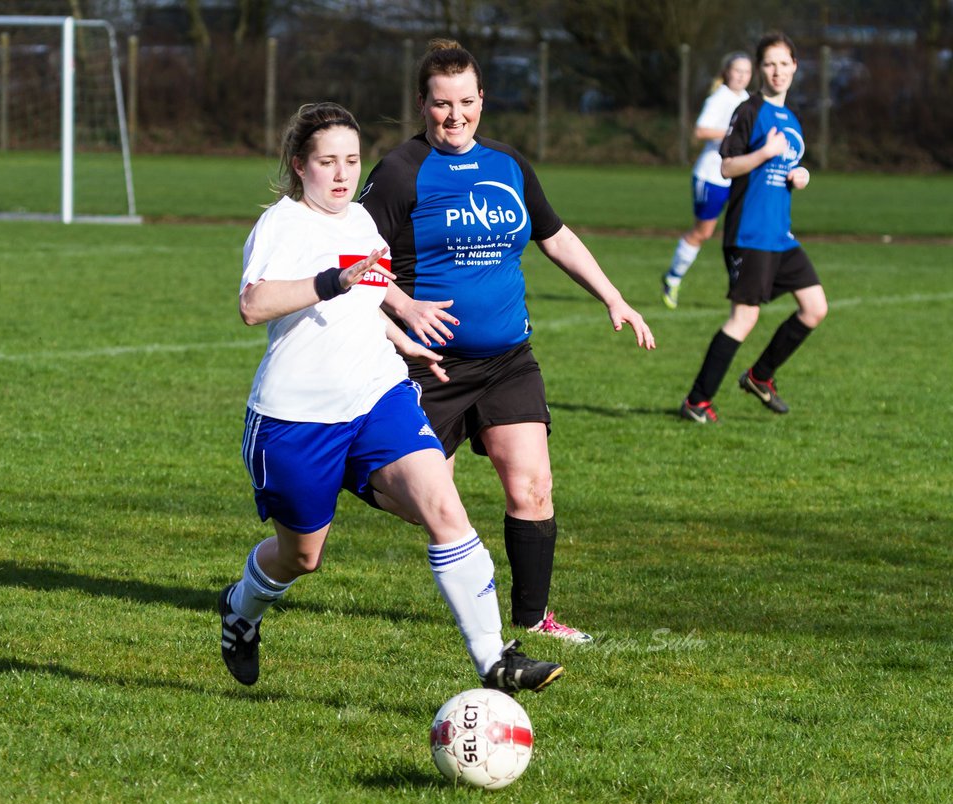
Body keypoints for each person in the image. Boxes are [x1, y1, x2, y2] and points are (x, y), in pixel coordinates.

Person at [218, 101, 563, 695]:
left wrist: (406, 337)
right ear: (300, 166)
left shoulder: (358, 222)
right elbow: (254, 305)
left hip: (379, 397)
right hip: (297, 419)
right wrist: (330, 282)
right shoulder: (283, 224)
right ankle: (241, 608)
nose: (342, 173)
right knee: (302, 557)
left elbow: (369, 298)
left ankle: (494, 659)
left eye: (351, 159)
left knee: (445, 508)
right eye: (327, 161)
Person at [358, 40, 655, 645]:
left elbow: (555, 235)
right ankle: (351, 468)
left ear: (482, 100)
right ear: (422, 105)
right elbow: (356, 263)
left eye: (466, 101)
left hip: (508, 362)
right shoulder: (398, 172)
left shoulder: (509, 164)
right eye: (442, 104)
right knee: (416, 499)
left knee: (532, 487)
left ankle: (532, 619)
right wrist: (404, 305)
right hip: (428, 367)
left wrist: (613, 295)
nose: (455, 115)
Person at [679, 31, 827, 423]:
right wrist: (763, 153)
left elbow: (787, 167)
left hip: (781, 234)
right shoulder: (749, 110)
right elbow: (728, 166)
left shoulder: (792, 118)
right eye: (769, 64)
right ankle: (696, 401)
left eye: (784, 63)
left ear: (795, 66)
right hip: (750, 233)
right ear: (760, 69)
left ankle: (761, 376)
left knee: (815, 308)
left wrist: (800, 175)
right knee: (744, 318)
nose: (777, 71)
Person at [660, 51, 753, 309]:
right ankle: (672, 277)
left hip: (736, 177)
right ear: (727, 72)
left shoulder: (748, 100)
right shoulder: (720, 98)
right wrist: (734, 134)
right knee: (703, 232)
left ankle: (740, 286)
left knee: (742, 230)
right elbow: (701, 130)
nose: (742, 76)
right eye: (737, 70)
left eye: (747, 72)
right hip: (711, 175)